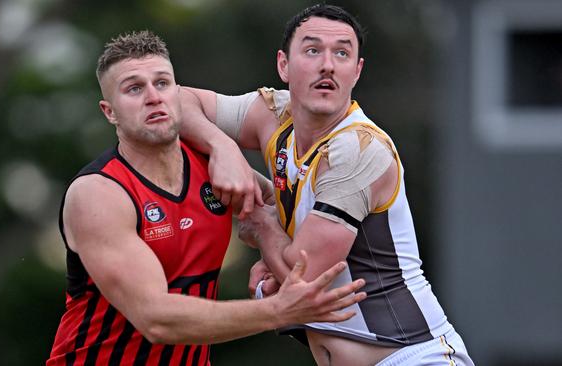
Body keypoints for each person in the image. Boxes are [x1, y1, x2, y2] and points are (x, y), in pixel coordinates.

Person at [45, 30, 368, 366]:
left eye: (162, 83)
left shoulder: (213, 168)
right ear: (109, 112)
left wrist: (270, 256)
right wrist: (277, 308)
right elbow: (155, 318)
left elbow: (276, 212)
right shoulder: (99, 194)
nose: (153, 97)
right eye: (134, 88)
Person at [179, 4, 475, 365]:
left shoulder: (358, 149)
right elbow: (175, 102)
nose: (328, 65)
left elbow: (302, 286)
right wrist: (221, 145)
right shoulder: (275, 114)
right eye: (312, 50)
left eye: (342, 53)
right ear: (283, 65)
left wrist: (262, 226)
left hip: (414, 358)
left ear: (357, 71)